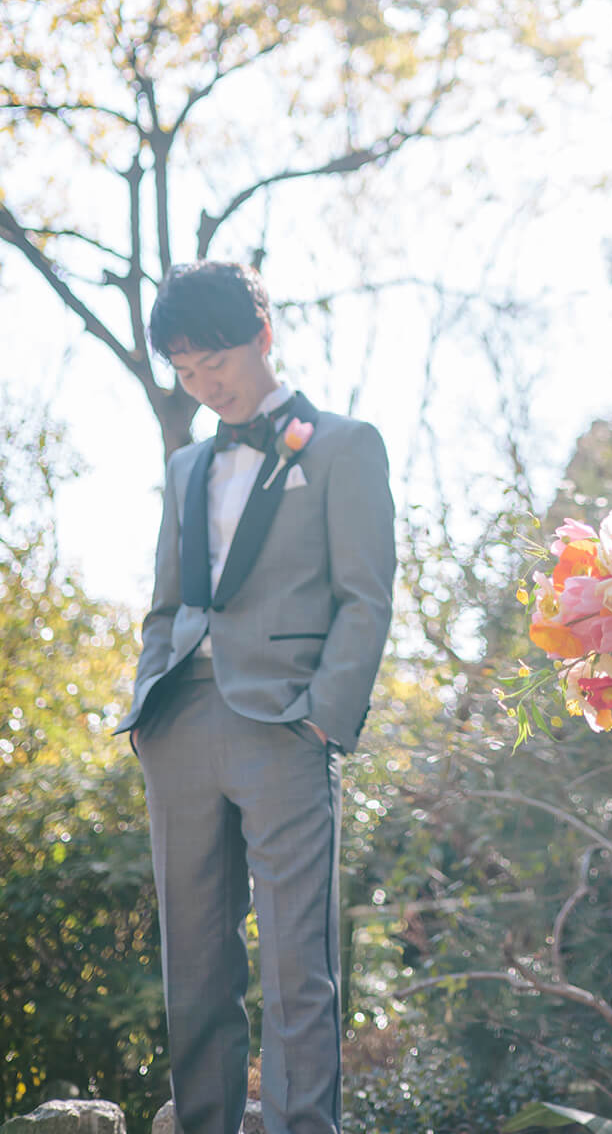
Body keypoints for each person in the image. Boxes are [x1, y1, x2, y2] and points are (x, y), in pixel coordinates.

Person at [117, 261, 396, 1134]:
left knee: (295, 968)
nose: (206, 388)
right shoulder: (187, 466)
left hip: (285, 724)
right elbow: (166, 601)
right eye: (187, 375)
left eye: (218, 365)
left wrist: (322, 718)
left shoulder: (345, 445)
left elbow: (366, 595)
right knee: (193, 962)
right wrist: (146, 708)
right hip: (179, 724)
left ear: (262, 336)